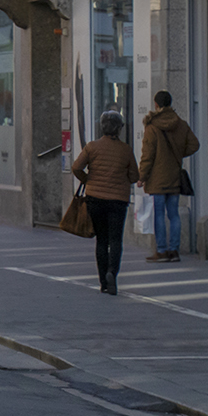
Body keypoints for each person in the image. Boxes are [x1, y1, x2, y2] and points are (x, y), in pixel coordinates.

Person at [72, 110, 142, 294]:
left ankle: (103, 280)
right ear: (119, 129)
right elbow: (135, 176)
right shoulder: (125, 150)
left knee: (101, 240)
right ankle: (113, 273)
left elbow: (76, 167)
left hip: (95, 199)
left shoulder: (92, 147)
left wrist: (88, 180)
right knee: (116, 239)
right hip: (118, 201)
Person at [139, 90, 201, 262]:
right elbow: (195, 145)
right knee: (174, 213)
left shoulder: (152, 127)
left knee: (158, 214)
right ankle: (174, 250)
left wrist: (141, 176)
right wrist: (180, 153)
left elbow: (147, 156)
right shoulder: (181, 124)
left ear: (156, 104)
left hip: (157, 178)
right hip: (174, 174)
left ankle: (161, 251)